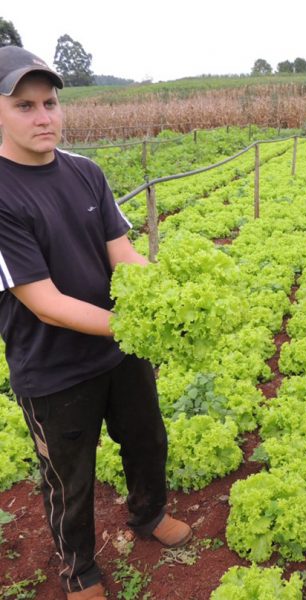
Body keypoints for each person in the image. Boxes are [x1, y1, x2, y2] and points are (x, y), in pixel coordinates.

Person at [0, 46, 192, 600]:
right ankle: (79, 570)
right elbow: (45, 302)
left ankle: (149, 514)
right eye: (25, 106)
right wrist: (136, 327)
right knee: (69, 478)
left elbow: (123, 255)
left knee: (146, 439)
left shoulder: (86, 172)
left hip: (119, 351)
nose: (44, 117)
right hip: (53, 368)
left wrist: (166, 300)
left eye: (51, 103)